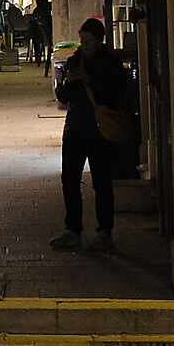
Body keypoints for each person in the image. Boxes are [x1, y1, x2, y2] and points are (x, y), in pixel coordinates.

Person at [50, 16, 134, 252]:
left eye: (88, 41)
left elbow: (117, 94)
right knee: (70, 180)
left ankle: (104, 231)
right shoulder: (74, 62)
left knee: (102, 181)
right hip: (75, 128)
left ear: (99, 41)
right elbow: (63, 97)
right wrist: (69, 83)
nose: (84, 45)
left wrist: (91, 81)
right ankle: (72, 229)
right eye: (82, 40)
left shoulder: (110, 64)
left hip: (99, 131)